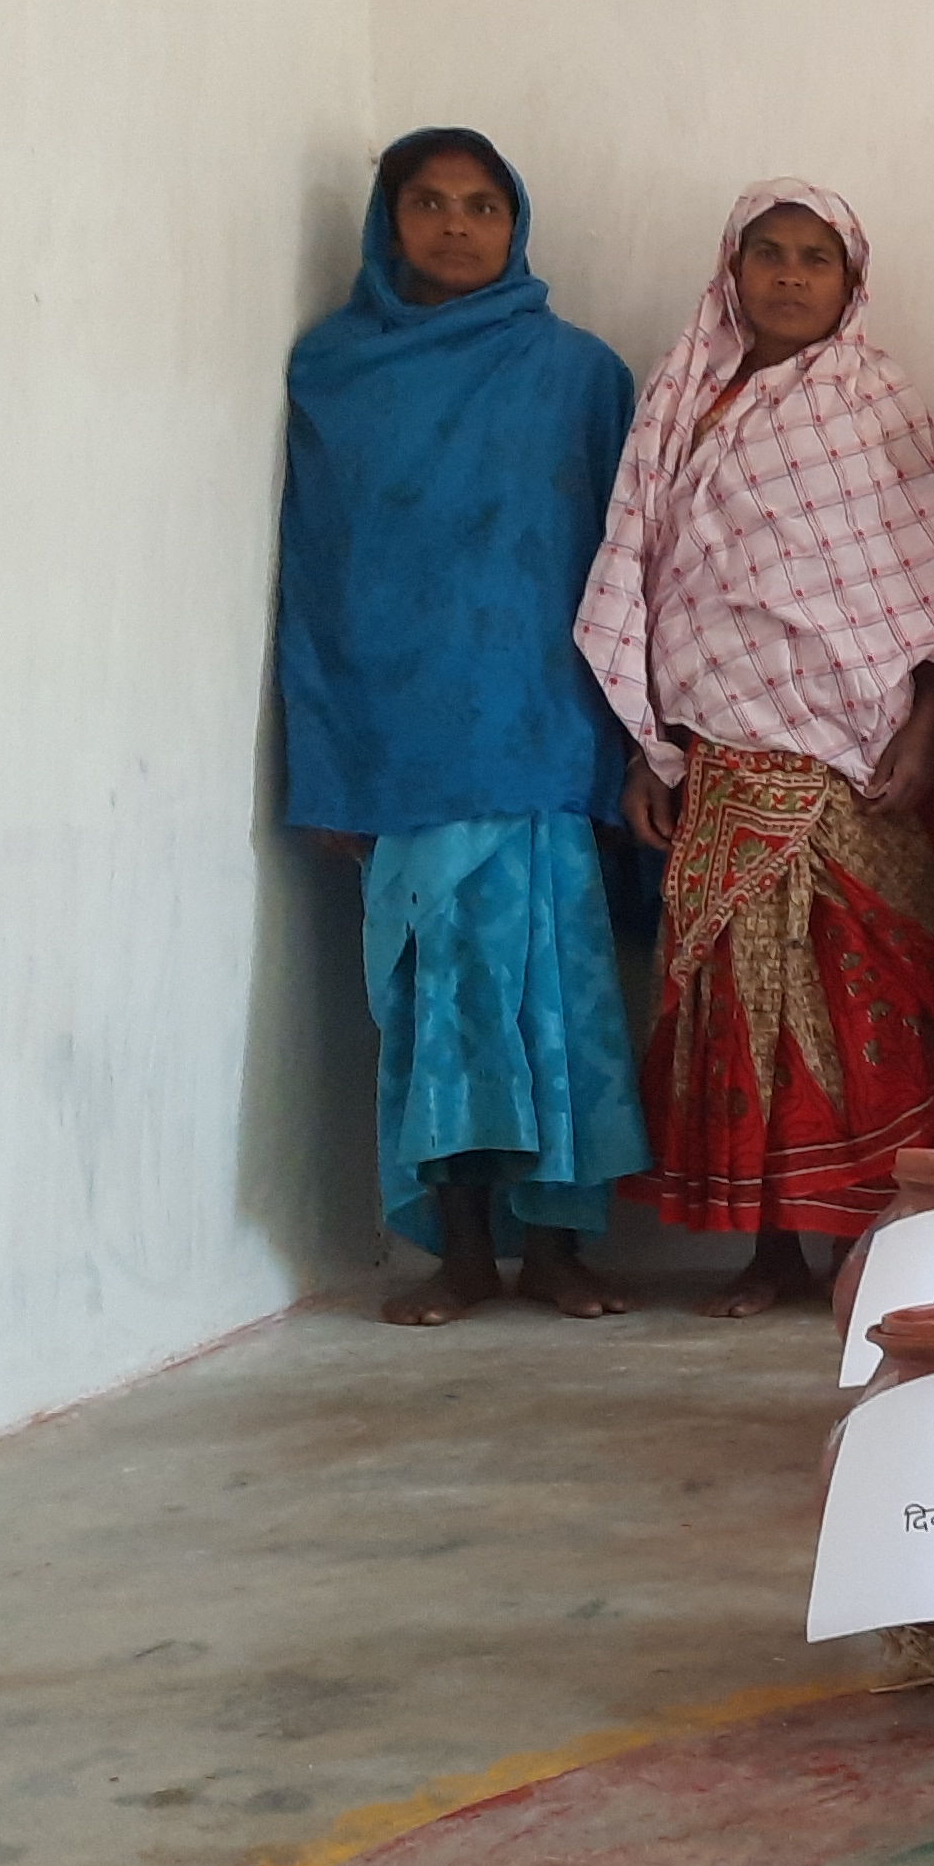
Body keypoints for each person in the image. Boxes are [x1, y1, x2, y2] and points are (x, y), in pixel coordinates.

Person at [280, 128, 653, 1329]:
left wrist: (636, 740)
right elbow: (317, 575)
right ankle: (462, 1256)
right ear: (388, 223)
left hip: (544, 737)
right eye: (429, 204)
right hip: (404, 747)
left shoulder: (579, 376)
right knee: (437, 1014)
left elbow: (627, 567)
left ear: (517, 222)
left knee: (557, 1010)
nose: (455, 225)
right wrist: (327, 768)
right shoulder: (337, 373)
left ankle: (557, 1253)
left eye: (481, 204)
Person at [575, 180, 934, 1316]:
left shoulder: (875, 402)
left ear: (850, 282)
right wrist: (645, 751)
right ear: (732, 271)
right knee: (740, 1008)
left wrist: (927, 738)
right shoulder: (682, 403)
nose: (791, 277)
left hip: (863, 761)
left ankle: (868, 1249)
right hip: (721, 753)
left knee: (864, 1003)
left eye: (816, 259)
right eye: (770, 255)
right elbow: (645, 575)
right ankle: (770, 1253)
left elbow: (931, 597)